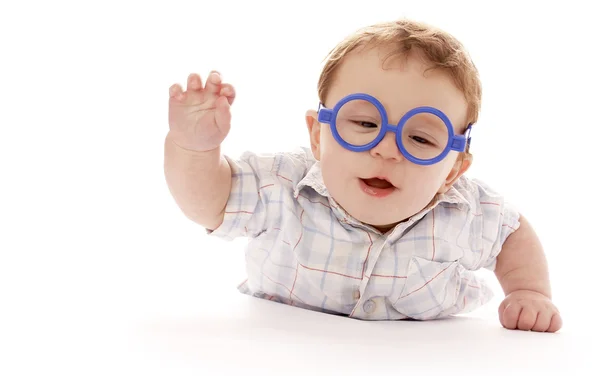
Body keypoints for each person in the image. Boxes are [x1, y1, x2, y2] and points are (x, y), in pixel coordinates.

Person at [163, 18, 562, 332]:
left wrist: (528, 291)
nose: (386, 149)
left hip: (422, 365)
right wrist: (194, 148)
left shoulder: (465, 212)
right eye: (365, 123)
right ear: (319, 136)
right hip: (284, 352)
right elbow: (210, 203)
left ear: (453, 169)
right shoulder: (284, 186)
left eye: (420, 138)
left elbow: (512, 233)